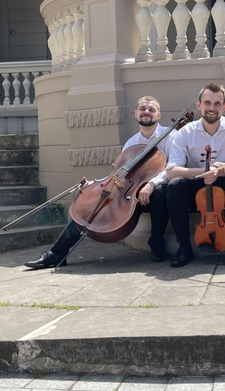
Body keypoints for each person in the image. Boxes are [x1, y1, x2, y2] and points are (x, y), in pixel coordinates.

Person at [24, 96, 174, 269]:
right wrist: (94, 184)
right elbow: (118, 173)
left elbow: (172, 167)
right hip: (130, 195)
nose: (146, 112)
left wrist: (152, 183)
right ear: (136, 113)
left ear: (158, 114)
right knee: (91, 205)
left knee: (161, 191)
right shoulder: (132, 142)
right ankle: (57, 253)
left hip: (154, 194)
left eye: (151, 109)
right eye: (142, 108)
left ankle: (157, 243)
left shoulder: (170, 137)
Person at [165, 82, 225, 268]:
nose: (211, 108)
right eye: (207, 103)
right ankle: (184, 248)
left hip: (224, 181)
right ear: (199, 106)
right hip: (197, 182)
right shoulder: (186, 132)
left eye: (216, 104)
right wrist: (202, 172)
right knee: (175, 185)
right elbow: (171, 170)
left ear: (224, 106)